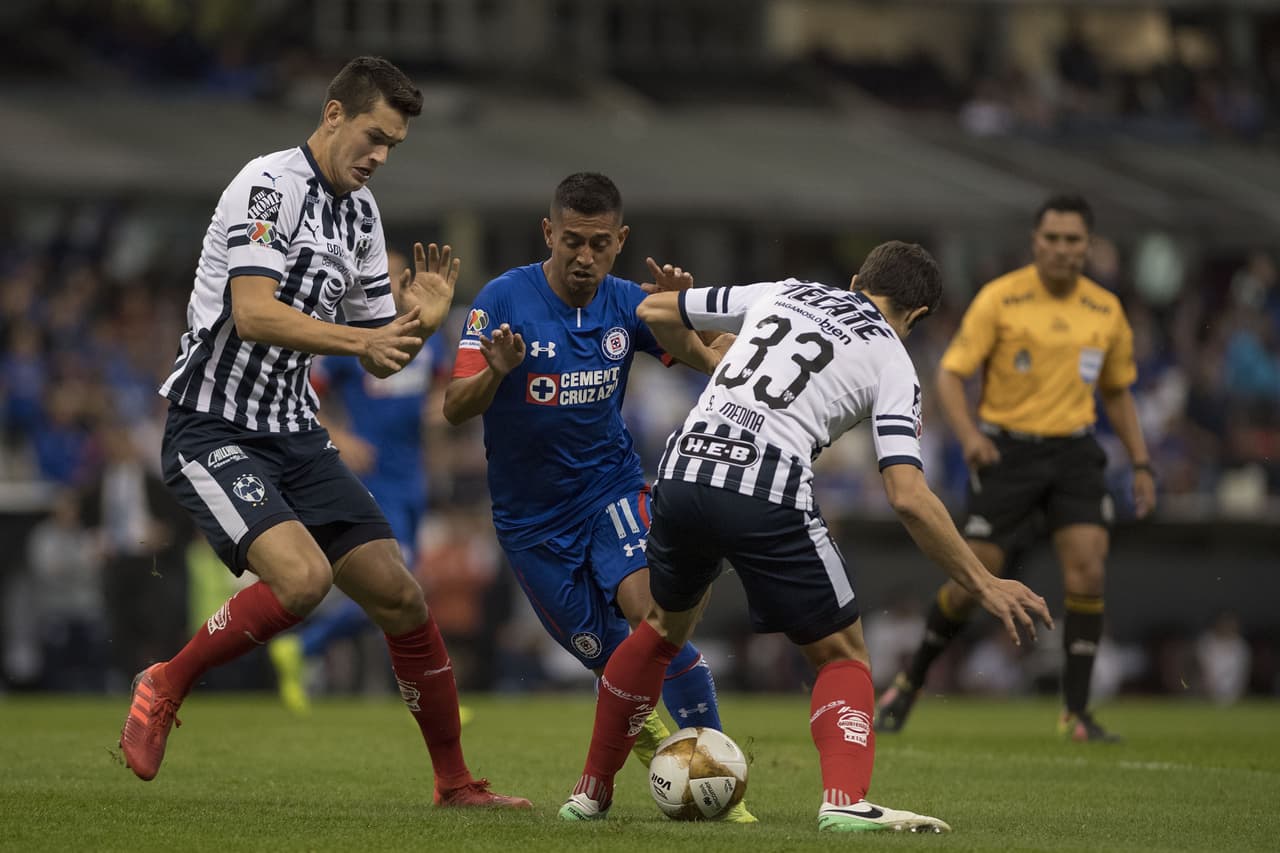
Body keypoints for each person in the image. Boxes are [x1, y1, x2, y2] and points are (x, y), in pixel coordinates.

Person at [117, 56, 529, 809]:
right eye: (374, 136)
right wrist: (367, 340)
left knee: (402, 596)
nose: (379, 155)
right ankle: (165, 681)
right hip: (213, 427)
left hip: (292, 432)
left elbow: (378, 350)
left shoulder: (363, 216)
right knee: (302, 580)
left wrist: (419, 325)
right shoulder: (267, 185)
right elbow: (254, 312)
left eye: (393, 146)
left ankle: (456, 783)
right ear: (333, 114)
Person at [557, 240, 1053, 832]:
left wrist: (714, 357)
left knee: (662, 627)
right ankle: (844, 801)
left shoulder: (787, 291)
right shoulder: (893, 357)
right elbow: (907, 494)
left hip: (683, 468)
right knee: (841, 654)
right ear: (917, 316)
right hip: (764, 483)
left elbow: (653, 312)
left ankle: (589, 793)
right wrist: (983, 581)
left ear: (855, 280)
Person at [442, 173, 753, 822]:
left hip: (609, 490)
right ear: (549, 233)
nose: (585, 256)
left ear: (620, 241)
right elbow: (453, 405)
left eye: (599, 244)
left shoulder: (627, 302)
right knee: (616, 661)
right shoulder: (502, 300)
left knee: (654, 615)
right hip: (531, 526)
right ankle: (645, 776)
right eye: (573, 241)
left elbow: (705, 357)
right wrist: (496, 372)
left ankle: (718, 782)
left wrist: (679, 314)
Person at [874, 194, 1155, 743]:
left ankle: (1076, 714)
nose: (1062, 249)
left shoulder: (1105, 310)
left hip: (1075, 452)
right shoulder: (1001, 299)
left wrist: (1141, 461)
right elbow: (952, 375)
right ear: (1035, 242)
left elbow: (1117, 392)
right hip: (1008, 454)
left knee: (1088, 569)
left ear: (1088, 246)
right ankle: (909, 682)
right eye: (1052, 239)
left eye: (1073, 240)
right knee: (971, 580)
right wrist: (971, 435)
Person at [267, 246, 452, 714]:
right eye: (376, 276)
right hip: (371, 478)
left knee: (405, 589)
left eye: (393, 276)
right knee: (396, 580)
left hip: (412, 477)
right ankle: (307, 649)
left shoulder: (427, 339)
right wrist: (339, 436)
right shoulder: (351, 340)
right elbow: (304, 393)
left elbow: (445, 392)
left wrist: (445, 412)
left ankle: (311, 653)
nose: (385, 284)